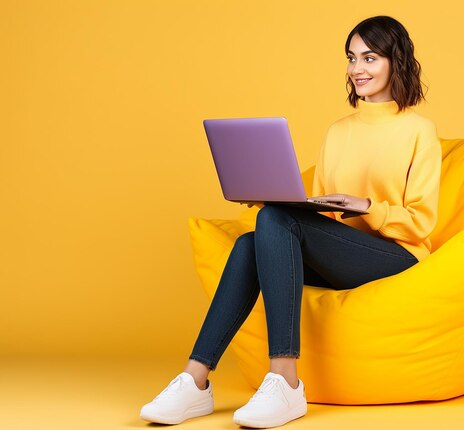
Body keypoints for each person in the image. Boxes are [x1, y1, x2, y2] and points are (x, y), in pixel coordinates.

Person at [140, 15, 441, 428]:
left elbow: (420, 224)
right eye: (351, 58)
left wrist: (367, 206)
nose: (357, 69)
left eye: (370, 58)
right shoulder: (338, 132)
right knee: (258, 233)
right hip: (343, 254)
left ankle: (285, 380)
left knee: (277, 221)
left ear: (396, 62)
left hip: (397, 255)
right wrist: (277, 200)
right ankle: (195, 380)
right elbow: (319, 215)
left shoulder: (419, 131)